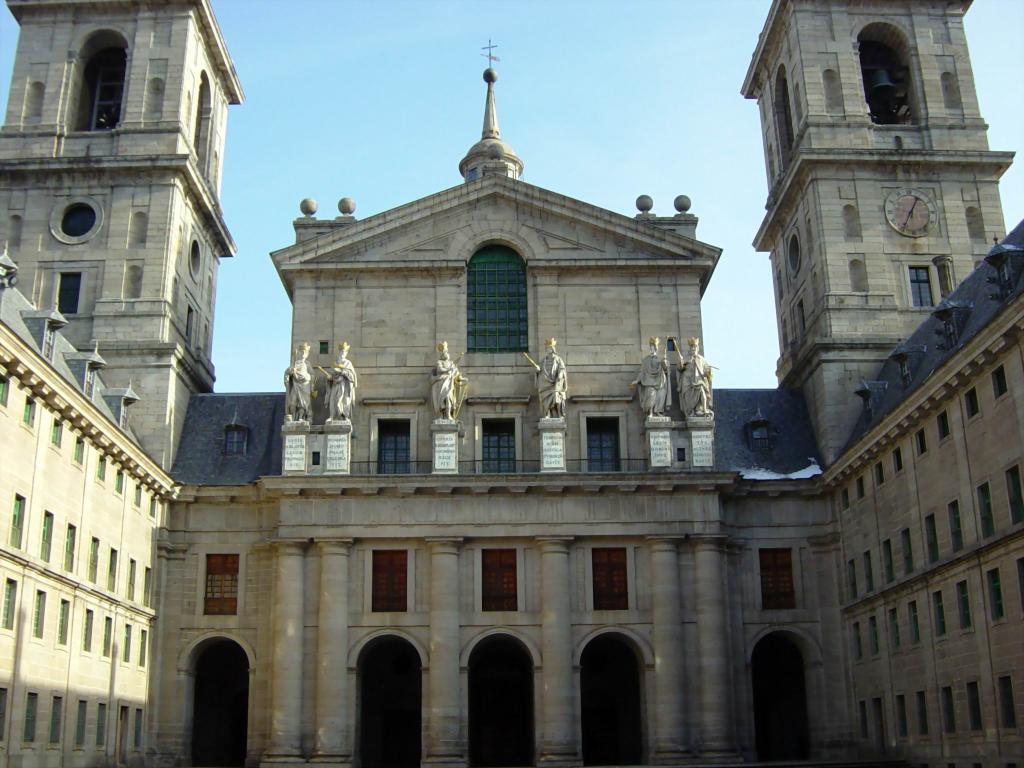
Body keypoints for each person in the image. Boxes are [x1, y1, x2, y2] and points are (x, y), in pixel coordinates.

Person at [524, 337, 567, 418]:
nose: (548, 349)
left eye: (549, 348)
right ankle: (547, 414)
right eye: (547, 348)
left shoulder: (558, 360)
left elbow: (562, 368)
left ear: (553, 349)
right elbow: (539, 369)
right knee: (544, 400)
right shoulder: (543, 361)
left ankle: (559, 415)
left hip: (555, 383)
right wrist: (537, 370)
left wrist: (560, 374)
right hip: (544, 384)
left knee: (556, 397)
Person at [630, 336, 669, 418]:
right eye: (650, 348)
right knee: (651, 397)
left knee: (660, 397)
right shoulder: (645, 360)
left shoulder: (659, 359)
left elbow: (665, 369)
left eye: (653, 348)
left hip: (660, 381)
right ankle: (650, 412)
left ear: (656, 349)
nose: (652, 349)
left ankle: (658, 412)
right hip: (649, 382)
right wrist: (637, 380)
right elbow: (642, 372)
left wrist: (665, 363)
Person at [677, 336, 714, 418]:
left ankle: (703, 410)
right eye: (691, 347)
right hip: (687, 381)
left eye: (694, 347)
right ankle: (691, 411)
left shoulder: (701, 359)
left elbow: (706, 370)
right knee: (688, 398)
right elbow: (680, 368)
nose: (693, 349)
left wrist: (709, 371)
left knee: (702, 391)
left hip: (697, 381)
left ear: (697, 348)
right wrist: (681, 362)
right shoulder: (686, 358)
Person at [431, 341, 467, 420]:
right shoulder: (439, 362)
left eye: (447, 352)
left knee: (449, 398)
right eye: (446, 352)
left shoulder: (451, 363)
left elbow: (456, 373)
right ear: (443, 354)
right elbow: (440, 369)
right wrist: (449, 369)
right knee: (442, 400)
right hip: (441, 383)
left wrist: (462, 379)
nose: (447, 354)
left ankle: (448, 415)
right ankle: (441, 415)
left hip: (450, 383)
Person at [324, 342, 358, 422]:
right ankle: (332, 416)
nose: (342, 353)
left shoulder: (348, 363)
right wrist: (329, 378)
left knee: (343, 400)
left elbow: (352, 376)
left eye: (344, 352)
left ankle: (344, 415)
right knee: (334, 400)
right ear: (339, 352)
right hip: (335, 385)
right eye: (341, 351)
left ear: (346, 353)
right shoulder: (335, 363)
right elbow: (330, 374)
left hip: (344, 386)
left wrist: (343, 372)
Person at [283, 342, 312, 422]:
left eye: (305, 352)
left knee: (303, 403)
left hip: (304, 386)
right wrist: (289, 373)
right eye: (301, 352)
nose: (303, 354)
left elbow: (312, 375)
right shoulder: (295, 363)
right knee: (293, 402)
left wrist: (309, 380)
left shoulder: (307, 364)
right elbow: (288, 372)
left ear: (307, 354)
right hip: (296, 385)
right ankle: (293, 417)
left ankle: (301, 417)